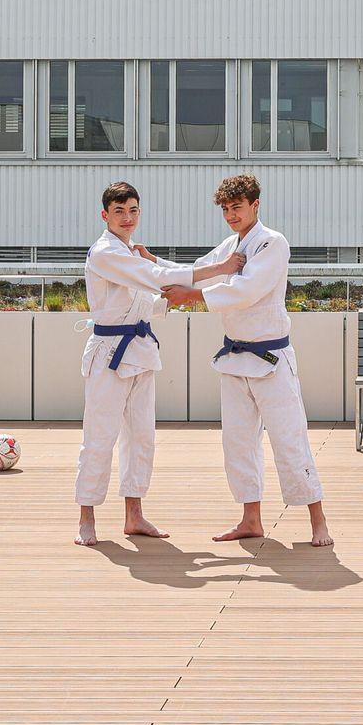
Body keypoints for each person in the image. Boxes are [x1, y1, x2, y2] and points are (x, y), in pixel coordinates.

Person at [160, 174, 333, 548]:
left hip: (271, 357)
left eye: (236, 207)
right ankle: (251, 519)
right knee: (237, 442)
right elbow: (199, 271)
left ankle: (318, 520)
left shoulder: (273, 242)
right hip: (235, 358)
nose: (230, 215)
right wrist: (151, 265)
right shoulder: (230, 246)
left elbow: (246, 291)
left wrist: (190, 297)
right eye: (225, 209)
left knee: (289, 439)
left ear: (256, 204)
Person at [72, 182, 243, 548]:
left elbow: (143, 299)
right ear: (105, 215)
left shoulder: (131, 252)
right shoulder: (105, 252)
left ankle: (134, 515)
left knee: (141, 437)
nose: (127, 217)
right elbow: (156, 278)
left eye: (133, 210)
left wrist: (174, 300)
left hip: (140, 350)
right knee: (100, 436)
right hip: (108, 353)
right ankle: (87, 516)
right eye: (119, 211)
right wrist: (219, 268)